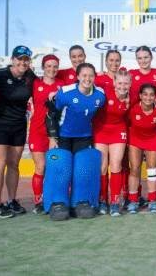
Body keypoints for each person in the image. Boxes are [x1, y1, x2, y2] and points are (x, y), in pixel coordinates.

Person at [43, 62, 105, 219]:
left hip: (84, 137)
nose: (87, 78)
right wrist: (52, 137)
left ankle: (80, 201)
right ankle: (57, 202)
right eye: (84, 75)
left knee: (83, 170)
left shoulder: (100, 95)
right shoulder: (65, 92)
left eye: (91, 75)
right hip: (63, 136)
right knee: (61, 169)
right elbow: (51, 114)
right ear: (77, 77)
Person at [0, 45, 35, 218]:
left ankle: (11, 201)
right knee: (0, 163)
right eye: (19, 59)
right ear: (13, 60)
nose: (23, 62)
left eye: (26, 59)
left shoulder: (30, 77)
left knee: (14, 165)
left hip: (19, 126)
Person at [28, 54, 71, 214]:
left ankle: (58, 198)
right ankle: (38, 200)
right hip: (37, 132)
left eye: (55, 66)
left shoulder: (62, 85)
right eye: (49, 66)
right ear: (43, 67)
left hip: (56, 134)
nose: (52, 69)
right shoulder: (34, 83)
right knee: (41, 167)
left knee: (57, 168)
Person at [95, 70, 131, 216]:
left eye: (126, 83)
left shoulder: (132, 96)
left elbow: (150, 98)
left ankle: (115, 202)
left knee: (116, 164)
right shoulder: (104, 92)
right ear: (114, 82)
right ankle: (103, 200)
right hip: (101, 130)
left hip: (118, 131)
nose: (123, 86)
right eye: (120, 83)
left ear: (130, 84)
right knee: (102, 167)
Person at [126, 84, 156, 214]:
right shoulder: (133, 108)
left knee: (152, 169)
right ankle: (133, 201)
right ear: (140, 96)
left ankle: (152, 201)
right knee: (135, 168)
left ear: (155, 97)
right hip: (135, 140)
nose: (148, 97)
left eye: (152, 95)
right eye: (145, 94)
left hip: (152, 139)